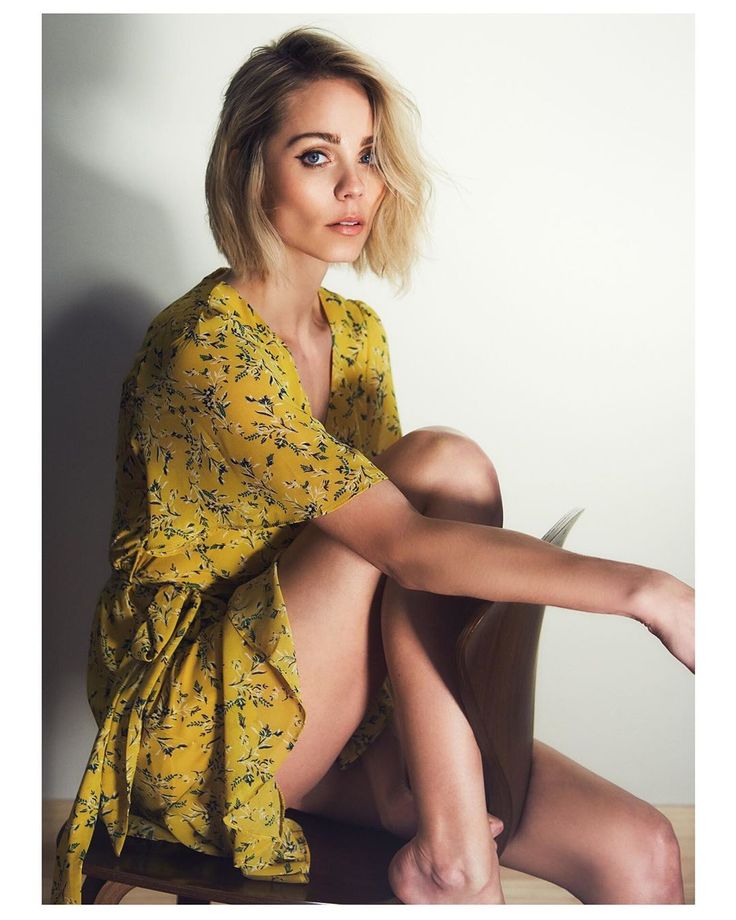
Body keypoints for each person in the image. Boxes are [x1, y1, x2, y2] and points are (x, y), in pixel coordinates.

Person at [51, 26, 694, 905]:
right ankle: (454, 846)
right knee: (440, 468)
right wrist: (650, 592)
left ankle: (450, 840)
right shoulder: (206, 348)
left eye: (369, 155)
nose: (356, 186)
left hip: (337, 713)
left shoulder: (355, 338)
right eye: (317, 156)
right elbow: (399, 546)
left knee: (642, 848)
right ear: (250, 169)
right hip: (197, 731)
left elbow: (403, 586)